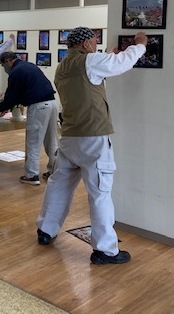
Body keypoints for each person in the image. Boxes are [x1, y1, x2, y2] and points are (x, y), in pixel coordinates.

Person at [36, 27, 148, 266]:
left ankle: (46, 229)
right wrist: (140, 45)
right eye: (95, 42)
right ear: (86, 44)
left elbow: (91, 77)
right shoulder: (90, 61)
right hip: (94, 138)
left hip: (70, 136)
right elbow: (121, 63)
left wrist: (107, 54)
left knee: (59, 185)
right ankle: (105, 250)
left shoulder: (63, 66)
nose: (96, 46)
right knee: (100, 193)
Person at [0, 51, 58, 185]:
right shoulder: (28, 66)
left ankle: (31, 175)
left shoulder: (16, 72)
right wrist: (6, 106)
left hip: (38, 106)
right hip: (52, 103)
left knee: (33, 141)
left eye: (2, 65)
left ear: (7, 61)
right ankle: (54, 171)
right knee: (51, 139)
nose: (4, 68)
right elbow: (18, 94)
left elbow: (12, 95)